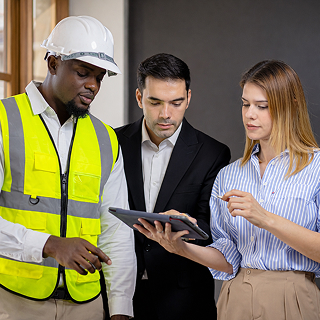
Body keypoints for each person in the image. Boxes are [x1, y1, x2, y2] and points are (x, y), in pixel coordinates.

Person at [135, 60, 320, 320]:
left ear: (290, 106)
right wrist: (180, 248)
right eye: (245, 104)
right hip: (235, 299)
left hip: (294, 297)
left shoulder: (316, 168)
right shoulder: (229, 174)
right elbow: (228, 258)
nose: (249, 114)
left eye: (262, 106)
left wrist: (265, 218)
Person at [0, 16, 136, 320]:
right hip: (13, 300)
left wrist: (120, 308)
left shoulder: (106, 139)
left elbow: (117, 233)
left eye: (100, 77)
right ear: (52, 64)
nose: (93, 85)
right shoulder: (4, 121)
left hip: (85, 304)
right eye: (83, 72)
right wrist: (49, 245)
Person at [115, 53, 230, 320]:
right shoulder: (113, 142)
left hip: (184, 301)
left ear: (188, 98)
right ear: (139, 98)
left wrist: (189, 226)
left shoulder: (213, 153)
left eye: (176, 103)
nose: (166, 114)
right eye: (155, 102)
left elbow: (214, 229)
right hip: (120, 295)